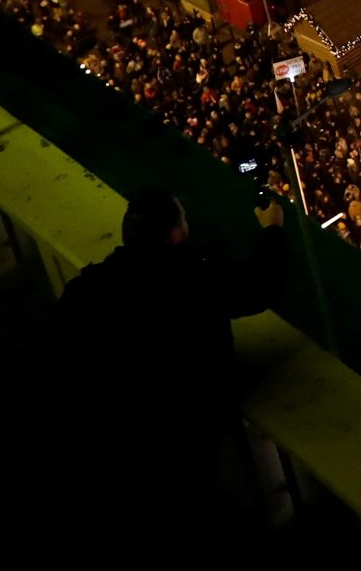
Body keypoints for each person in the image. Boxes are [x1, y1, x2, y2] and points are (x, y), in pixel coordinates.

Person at [57, 190, 287, 489]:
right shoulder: (195, 281)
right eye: (185, 220)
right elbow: (262, 287)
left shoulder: (85, 290)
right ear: (175, 235)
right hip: (187, 428)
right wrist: (272, 230)